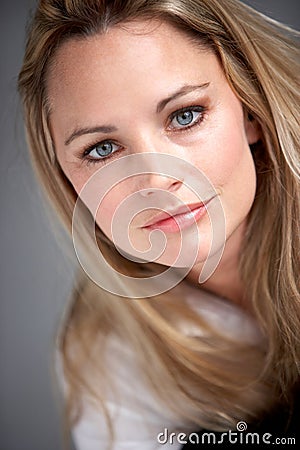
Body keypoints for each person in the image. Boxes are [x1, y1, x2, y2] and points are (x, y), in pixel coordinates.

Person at [18, 0, 299, 448]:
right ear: (66, 181)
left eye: (184, 116)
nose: (154, 180)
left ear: (250, 110)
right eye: (103, 150)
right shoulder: (106, 356)